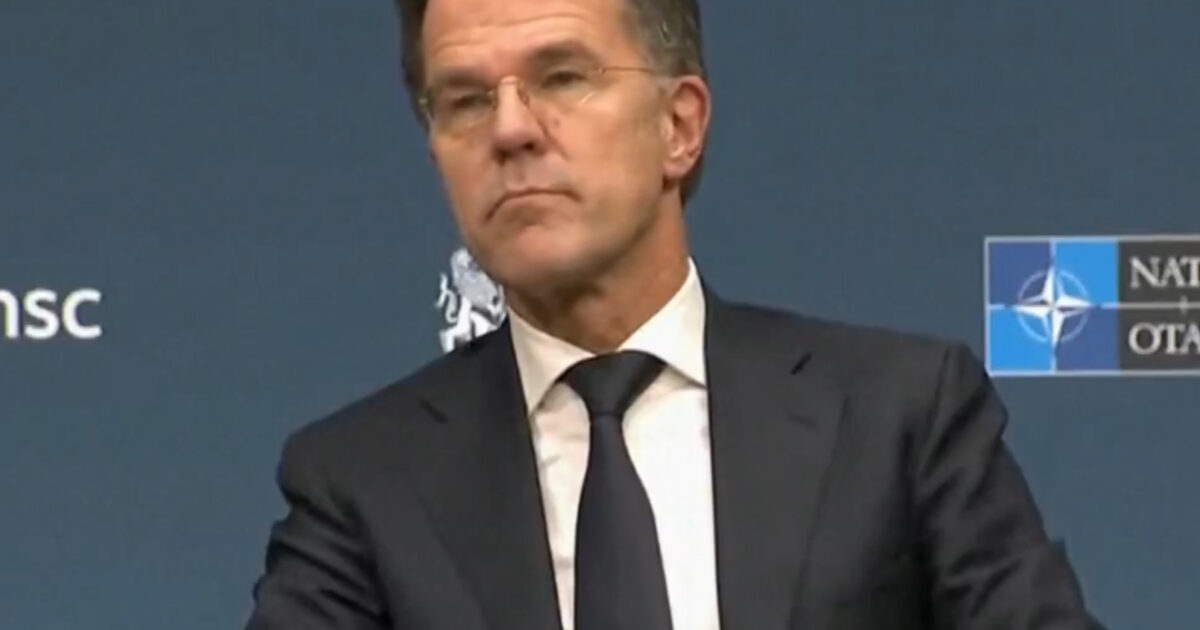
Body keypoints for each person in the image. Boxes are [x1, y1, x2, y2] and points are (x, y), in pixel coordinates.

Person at [244, 0, 1105, 628]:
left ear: (680, 125)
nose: (510, 129)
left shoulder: (898, 416)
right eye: (465, 100)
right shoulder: (362, 481)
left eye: (563, 77)